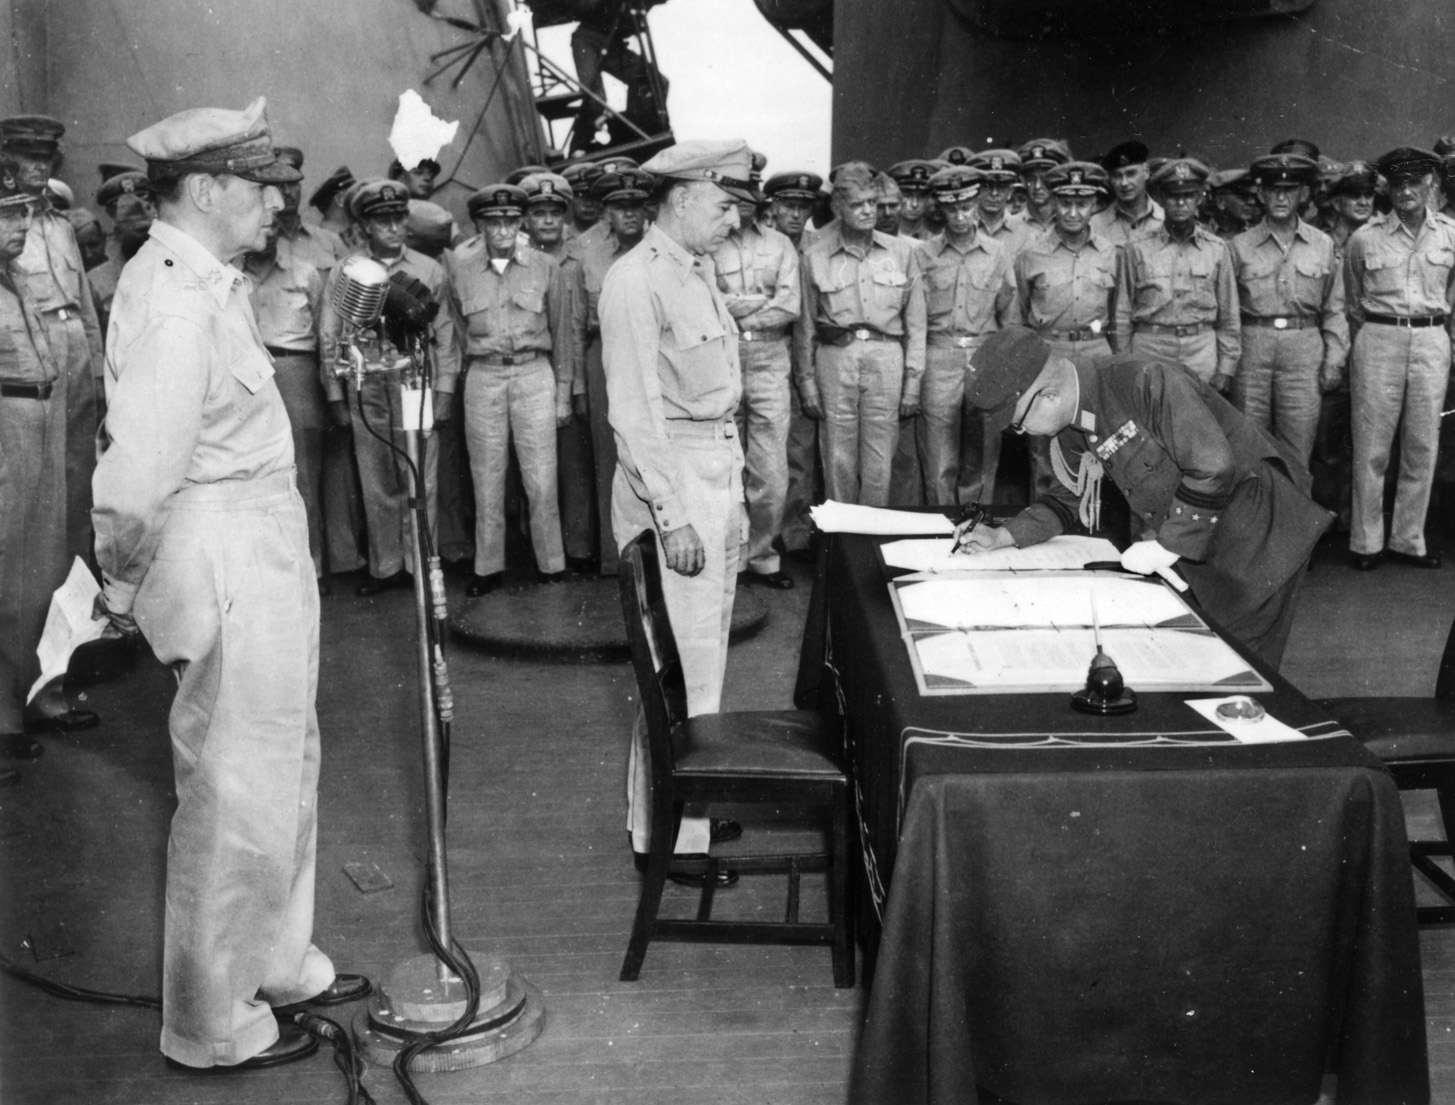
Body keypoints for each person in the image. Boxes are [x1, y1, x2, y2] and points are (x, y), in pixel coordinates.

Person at [92, 96, 369, 1071]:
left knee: (285, 761)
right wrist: (122, 588)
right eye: (260, 190)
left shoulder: (208, 281)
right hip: (222, 550)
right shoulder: (171, 297)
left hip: (261, 538)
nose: (273, 208)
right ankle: (211, 1020)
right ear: (207, 189)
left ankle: (278, 962)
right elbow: (133, 482)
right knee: (232, 787)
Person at [955, 327, 1332, 669]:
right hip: (1200, 542)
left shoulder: (1143, 380)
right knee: (1201, 660)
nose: (1021, 433)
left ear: (1049, 396)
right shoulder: (1073, 422)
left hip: (1259, 536)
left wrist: (1168, 545)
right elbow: (1073, 495)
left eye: (1018, 423)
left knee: (1240, 672)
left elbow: (1213, 466)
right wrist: (1004, 535)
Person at [600, 139, 754, 883]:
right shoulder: (635, 281)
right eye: (725, 205)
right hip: (676, 481)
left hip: (714, 469)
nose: (733, 220)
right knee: (677, 669)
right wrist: (673, 516)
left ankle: (682, 803)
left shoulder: (697, 271)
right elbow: (633, 413)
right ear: (685, 197)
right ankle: (670, 835)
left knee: (702, 659)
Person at [320, 179, 458, 595]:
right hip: (369, 383)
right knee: (376, 478)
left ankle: (421, 564)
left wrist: (446, 392)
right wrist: (335, 395)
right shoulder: (345, 271)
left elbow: (446, 334)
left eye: (399, 218)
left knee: (419, 476)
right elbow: (330, 336)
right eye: (382, 220)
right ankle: (386, 567)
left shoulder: (428, 270)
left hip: (414, 380)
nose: (393, 227)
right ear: (364, 225)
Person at [445, 184, 570, 595]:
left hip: (535, 372)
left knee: (541, 478)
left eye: (511, 221)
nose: (502, 230)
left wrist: (564, 393)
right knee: (487, 475)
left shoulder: (544, 265)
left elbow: (561, 330)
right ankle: (488, 567)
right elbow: (458, 328)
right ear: (479, 225)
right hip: (484, 374)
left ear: (521, 223)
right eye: (493, 222)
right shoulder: (459, 265)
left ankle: (551, 564)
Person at [1343, 146, 1455, 571]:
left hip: (1431, 339)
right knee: (1372, 446)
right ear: (1387, 188)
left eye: (1415, 182)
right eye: (1398, 183)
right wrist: (1375, 335)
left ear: (1431, 184)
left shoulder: (1450, 235)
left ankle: (1408, 540)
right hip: (1379, 337)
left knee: (1422, 444)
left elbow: (1453, 298)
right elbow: (1352, 300)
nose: (1406, 191)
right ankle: (1366, 542)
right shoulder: (1364, 238)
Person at [1, 115, 105, 568]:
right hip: (28, 348)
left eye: (46, 158)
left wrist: (98, 371)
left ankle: (76, 581)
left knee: (79, 469)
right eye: (29, 158)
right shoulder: (8, 222)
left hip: (73, 348)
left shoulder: (62, 226)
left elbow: (83, 302)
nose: (39, 167)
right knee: (39, 473)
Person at [0, 172, 78, 765]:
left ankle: (21, 702)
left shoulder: (19, 276)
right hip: (6, 420)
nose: (21, 227)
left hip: (42, 412)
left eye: (25, 214)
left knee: (36, 571)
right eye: (7, 215)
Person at [797, 161, 926, 506]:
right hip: (836, 357)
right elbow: (806, 325)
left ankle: (870, 547)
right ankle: (841, 543)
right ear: (838, 207)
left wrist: (913, 382)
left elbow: (916, 325)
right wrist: (806, 381)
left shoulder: (903, 253)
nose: (869, 211)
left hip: (887, 357)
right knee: (837, 456)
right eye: (858, 205)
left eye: (872, 202)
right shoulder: (815, 256)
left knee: (880, 458)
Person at [1228, 153, 1347, 468]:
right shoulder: (1238, 246)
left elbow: (1335, 307)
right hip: (1253, 348)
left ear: (1304, 194)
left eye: (1290, 189)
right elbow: (1227, 311)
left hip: (1303, 349)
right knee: (1249, 448)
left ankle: (1296, 516)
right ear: (1261, 193)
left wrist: (1334, 360)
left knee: (1297, 451)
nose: (1281, 197)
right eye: (1273, 189)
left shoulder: (1323, 245)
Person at [713, 176, 801, 588]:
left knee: (769, 468)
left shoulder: (781, 245)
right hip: (724, 355)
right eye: (735, 199)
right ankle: (731, 558)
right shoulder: (710, 242)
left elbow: (788, 305)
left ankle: (763, 555)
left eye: (751, 198)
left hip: (769, 358)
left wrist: (741, 312)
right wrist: (750, 307)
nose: (743, 206)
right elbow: (709, 298)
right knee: (726, 462)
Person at [1012, 161, 1119, 498]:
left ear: (1095, 206)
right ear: (1054, 203)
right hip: (1049, 354)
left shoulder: (1111, 252)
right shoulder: (1031, 255)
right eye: (1065, 203)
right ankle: (1043, 519)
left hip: (1095, 352)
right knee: (1043, 445)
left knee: (1098, 440)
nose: (1073, 212)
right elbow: (1020, 315)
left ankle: (1095, 523)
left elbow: (1120, 311)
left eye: (1082, 203)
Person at [918, 165, 1014, 505]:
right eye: (951, 208)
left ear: (977, 205)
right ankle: (941, 528)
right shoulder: (923, 253)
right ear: (940, 209)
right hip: (938, 356)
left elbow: (1009, 313)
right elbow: (915, 315)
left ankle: (977, 523)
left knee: (983, 451)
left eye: (966, 207)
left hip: (983, 356)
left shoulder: (998, 253)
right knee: (939, 455)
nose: (960, 216)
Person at [244, 218, 330, 589]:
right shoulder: (229, 272)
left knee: (304, 476)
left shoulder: (306, 272)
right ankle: (262, 574)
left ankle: (312, 569)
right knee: (253, 474)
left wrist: (332, 394)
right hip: (247, 375)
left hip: (296, 371)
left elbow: (327, 337)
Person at [576, 166, 652, 573]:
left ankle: (658, 552)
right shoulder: (586, 250)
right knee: (609, 453)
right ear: (606, 211)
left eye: (637, 206)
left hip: (654, 354)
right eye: (620, 207)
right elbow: (575, 320)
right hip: (605, 353)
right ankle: (614, 556)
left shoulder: (660, 248)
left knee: (654, 450)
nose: (629, 215)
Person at [1116, 158, 1240, 390]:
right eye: (1173, 196)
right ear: (1161, 199)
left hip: (1201, 350)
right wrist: (1123, 363)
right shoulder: (1137, 248)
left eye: (1189, 195)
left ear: (1200, 198)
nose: (1181, 203)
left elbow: (1229, 315)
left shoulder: (1217, 249)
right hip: (1151, 347)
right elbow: (1122, 314)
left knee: (1199, 421)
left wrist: (1226, 368)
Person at [764, 170, 823, 561]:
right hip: (770, 352)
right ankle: (764, 539)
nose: (796, 214)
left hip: (814, 358)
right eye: (788, 205)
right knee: (766, 454)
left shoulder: (821, 246)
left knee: (802, 453)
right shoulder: (762, 247)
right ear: (773, 207)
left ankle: (798, 537)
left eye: (803, 206)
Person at [87, 171, 155, 331]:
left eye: (146, 228)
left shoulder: (178, 271)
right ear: (113, 216)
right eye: (135, 228)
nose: (143, 236)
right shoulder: (97, 282)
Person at [272, 146, 345, 273]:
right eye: (279, 185)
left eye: (292, 183)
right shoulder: (257, 242)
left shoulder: (329, 241)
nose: (288, 192)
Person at [1091, 140, 1162, 247]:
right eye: (1117, 176)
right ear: (1110, 179)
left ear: (1146, 172)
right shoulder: (1095, 225)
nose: (1124, 183)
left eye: (1131, 174)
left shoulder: (1165, 219)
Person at [1016, 138, 1070, 233]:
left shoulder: (1072, 225)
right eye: (1031, 179)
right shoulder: (1011, 226)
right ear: (1023, 181)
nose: (1037, 186)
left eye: (1045, 179)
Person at [888, 160, 937, 240]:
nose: (914, 204)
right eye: (907, 195)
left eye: (922, 196)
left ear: (929, 198)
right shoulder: (882, 235)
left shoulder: (937, 238)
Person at [1208, 168, 1262, 240]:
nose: (1252, 202)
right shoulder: (1201, 234)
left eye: (1254, 196)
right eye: (1244, 196)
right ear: (1220, 201)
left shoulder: (1258, 235)